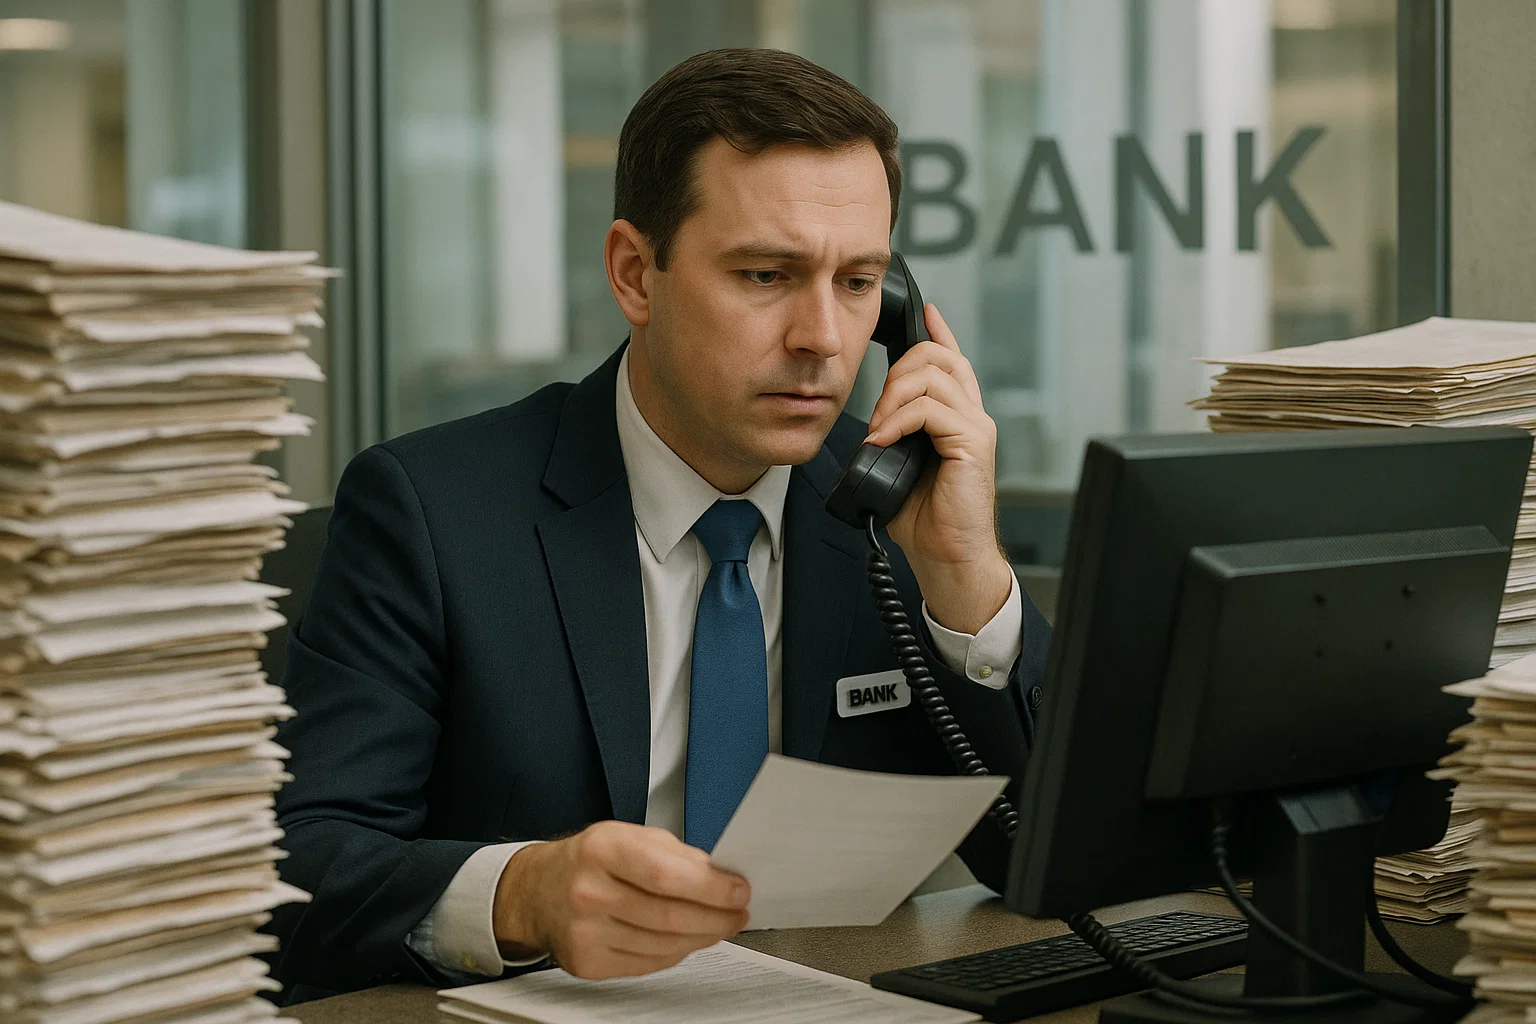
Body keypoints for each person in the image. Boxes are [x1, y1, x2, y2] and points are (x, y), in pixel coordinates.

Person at [268, 47, 1050, 1000]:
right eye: (766, 275)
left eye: (857, 284)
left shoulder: (893, 512)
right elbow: (298, 872)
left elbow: (1052, 872)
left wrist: (967, 578)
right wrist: (521, 893)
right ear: (636, 273)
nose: (823, 339)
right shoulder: (430, 511)